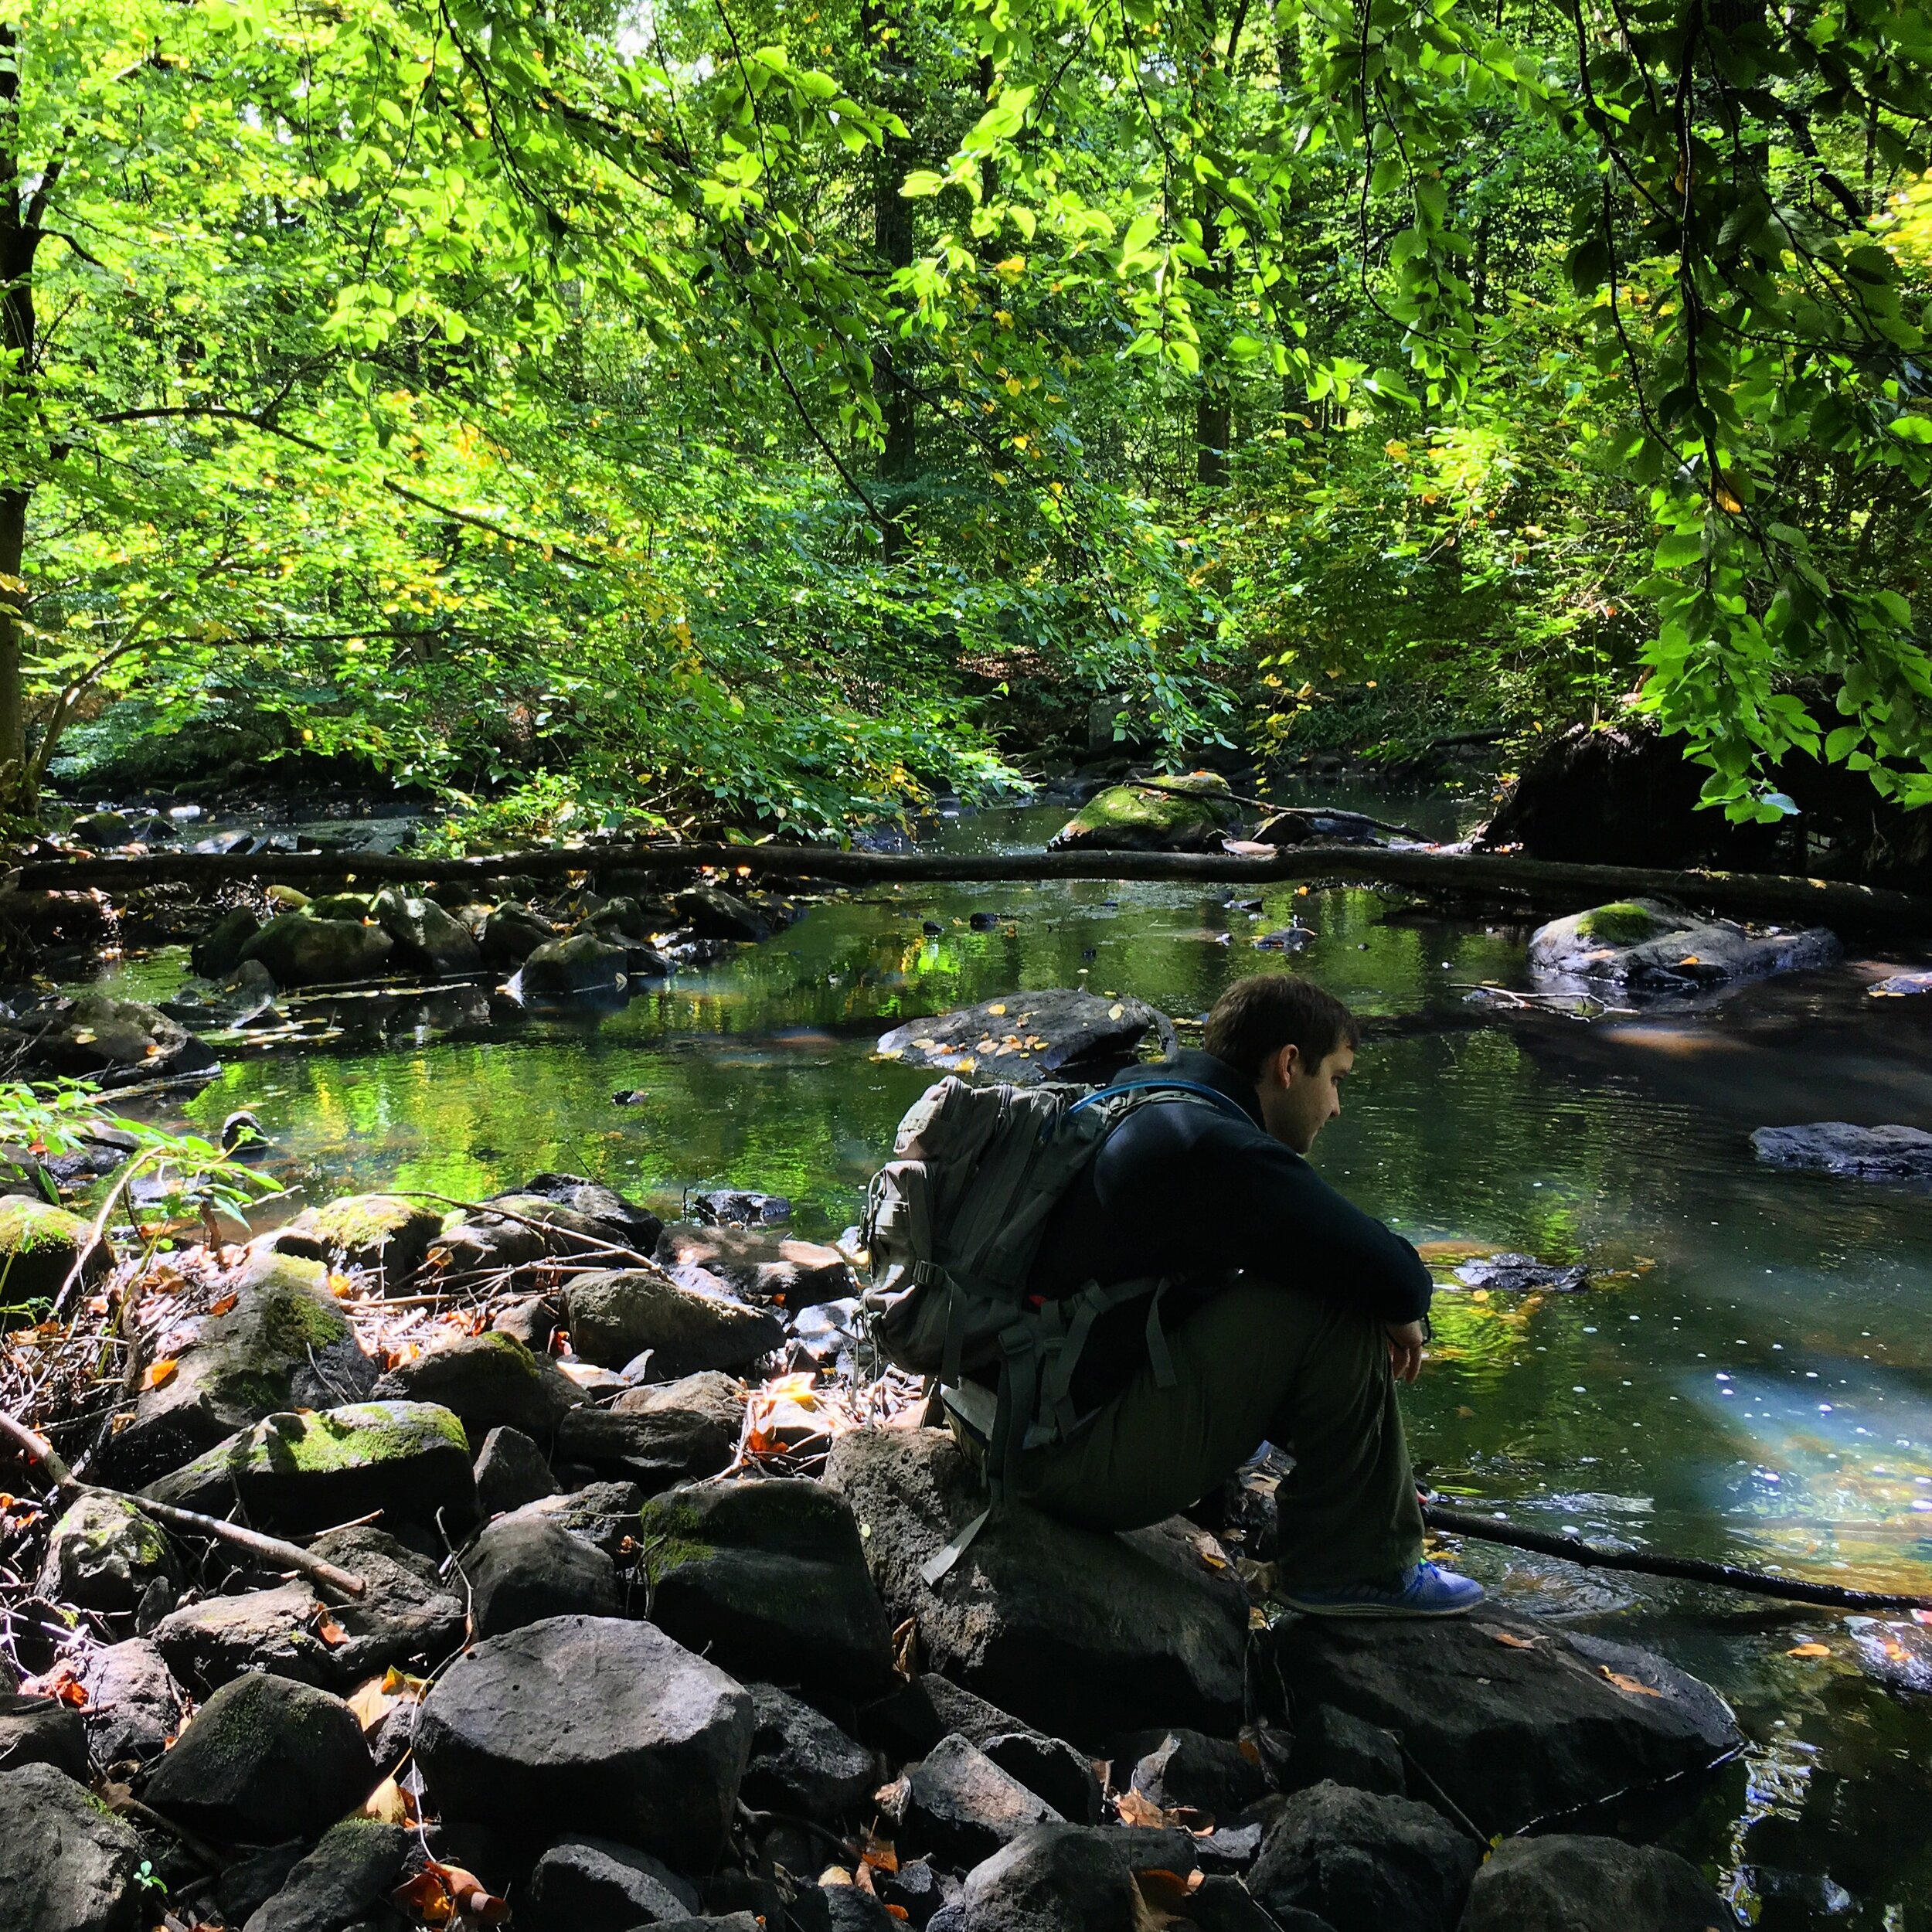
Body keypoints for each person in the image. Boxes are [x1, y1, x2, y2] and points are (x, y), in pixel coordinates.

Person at [998, 971, 1481, 1617]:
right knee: (1333, 1300)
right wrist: (1400, 1312)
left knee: (1312, 1272)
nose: (1336, 1106)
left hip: (1005, 1426)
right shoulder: (1214, 1145)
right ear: (1288, 1064)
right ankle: (1356, 1569)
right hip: (1060, 1465)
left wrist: (1355, 1457)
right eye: (1335, 1079)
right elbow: (1398, 1277)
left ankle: (1353, 1518)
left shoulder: (1142, 1097)